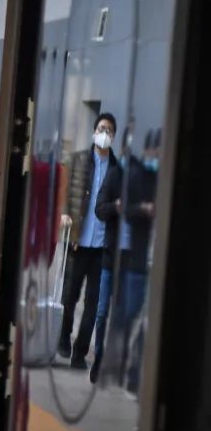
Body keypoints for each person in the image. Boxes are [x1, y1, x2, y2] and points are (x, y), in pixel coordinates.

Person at [91, 135, 158, 384]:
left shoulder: (146, 179)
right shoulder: (115, 175)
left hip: (131, 261)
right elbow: (100, 208)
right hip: (111, 257)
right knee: (102, 312)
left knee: (124, 315)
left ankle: (116, 364)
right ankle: (99, 359)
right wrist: (115, 207)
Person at [59, 113, 119, 369]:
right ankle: (63, 338)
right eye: (101, 128)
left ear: (113, 136)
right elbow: (64, 192)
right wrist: (64, 215)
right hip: (77, 241)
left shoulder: (117, 170)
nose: (105, 134)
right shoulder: (78, 160)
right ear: (94, 131)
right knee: (69, 296)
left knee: (93, 304)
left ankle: (80, 353)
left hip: (101, 247)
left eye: (109, 130)